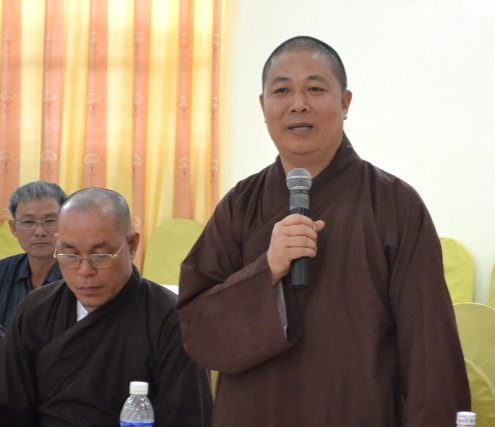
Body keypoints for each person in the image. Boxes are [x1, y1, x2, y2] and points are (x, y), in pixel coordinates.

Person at [177, 36, 470, 426]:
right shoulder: (240, 206)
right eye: (282, 91)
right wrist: (267, 269)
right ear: (263, 106)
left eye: (315, 89)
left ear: (345, 103)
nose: (298, 104)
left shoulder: (395, 206)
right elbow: (199, 332)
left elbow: (430, 350)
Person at [0, 188, 213, 426]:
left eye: (100, 256)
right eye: (70, 256)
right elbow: (10, 408)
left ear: (131, 246)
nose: (84, 271)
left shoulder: (171, 319)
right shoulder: (36, 309)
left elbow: (187, 417)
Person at [0, 181, 66, 329]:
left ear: (66, 223)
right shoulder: (2, 272)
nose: (39, 231)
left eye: (50, 220)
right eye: (29, 221)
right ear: (13, 228)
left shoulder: (81, 275)